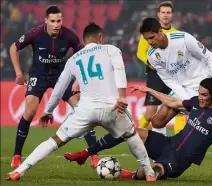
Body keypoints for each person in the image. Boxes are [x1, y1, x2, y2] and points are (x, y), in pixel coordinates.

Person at [65, 17, 212, 180]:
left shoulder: (183, 39)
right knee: (157, 121)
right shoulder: (153, 56)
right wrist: (183, 100)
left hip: (206, 87)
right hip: (184, 91)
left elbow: (209, 57)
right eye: (146, 40)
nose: (150, 43)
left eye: (151, 38)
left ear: (160, 32)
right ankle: (162, 151)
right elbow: (169, 79)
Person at [7, 22, 156, 182]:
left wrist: (48, 111)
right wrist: (122, 96)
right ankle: (149, 173)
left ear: (84, 41)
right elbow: (119, 70)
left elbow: (58, 89)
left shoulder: (73, 59)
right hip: (111, 108)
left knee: (54, 141)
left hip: (85, 110)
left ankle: (19, 171)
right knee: (132, 135)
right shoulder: (111, 50)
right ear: (100, 37)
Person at [67, 77, 212, 182]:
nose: (200, 97)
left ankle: (132, 174)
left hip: (178, 161)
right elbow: (174, 102)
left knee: (152, 173)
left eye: (204, 95)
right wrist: (151, 91)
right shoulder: (196, 103)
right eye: (199, 93)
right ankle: (86, 153)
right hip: (168, 143)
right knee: (129, 130)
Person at [9, 5, 99, 168]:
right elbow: (13, 48)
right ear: (46, 21)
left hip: (61, 76)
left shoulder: (69, 35)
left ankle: (94, 155)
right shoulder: (36, 34)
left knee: (81, 109)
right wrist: (19, 73)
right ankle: (16, 155)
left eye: (59, 20)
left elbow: (82, 56)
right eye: (53, 21)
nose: (56, 24)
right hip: (39, 75)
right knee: (29, 111)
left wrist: (78, 80)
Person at [137, 1, 185, 135]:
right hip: (155, 75)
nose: (165, 15)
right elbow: (141, 53)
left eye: (168, 12)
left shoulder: (177, 34)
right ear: (158, 14)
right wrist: (155, 65)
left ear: (172, 15)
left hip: (173, 75)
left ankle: (179, 143)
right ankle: (135, 137)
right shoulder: (148, 33)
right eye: (163, 12)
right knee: (150, 113)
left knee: (180, 110)